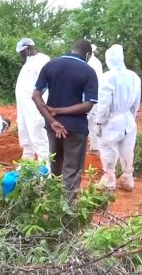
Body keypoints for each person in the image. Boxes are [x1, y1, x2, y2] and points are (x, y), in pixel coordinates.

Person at [32, 39, 98, 200]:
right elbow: (88, 105)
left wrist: (52, 120)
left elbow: (35, 95)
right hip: (75, 129)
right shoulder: (89, 71)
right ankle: (66, 216)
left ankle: (54, 206)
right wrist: (61, 111)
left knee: (56, 167)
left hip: (52, 128)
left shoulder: (50, 65)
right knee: (72, 171)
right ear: (88, 54)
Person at [95, 44, 141, 192]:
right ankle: (128, 177)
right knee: (127, 148)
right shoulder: (134, 76)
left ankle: (109, 179)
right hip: (128, 117)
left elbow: (104, 102)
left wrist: (99, 121)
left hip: (112, 119)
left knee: (107, 147)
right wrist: (131, 117)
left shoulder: (107, 77)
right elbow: (136, 103)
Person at [14, 38, 50, 163]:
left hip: (35, 108)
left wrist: (42, 108)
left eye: (21, 53)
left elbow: (46, 85)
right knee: (25, 134)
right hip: (24, 108)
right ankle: (27, 163)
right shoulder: (28, 63)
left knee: (38, 137)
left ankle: (44, 167)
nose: (21, 56)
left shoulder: (42, 60)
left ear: (28, 49)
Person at [87, 44, 104, 153]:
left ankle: (83, 145)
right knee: (93, 120)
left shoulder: (90, 62)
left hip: (90, 94)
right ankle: (95, 145)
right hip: (98, 94)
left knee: (85, 118)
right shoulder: (96, 62)